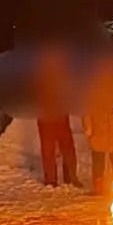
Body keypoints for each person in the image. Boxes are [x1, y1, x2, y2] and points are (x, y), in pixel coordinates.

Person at [34, 44, 81, 188]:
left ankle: (71, 176)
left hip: (61, 118)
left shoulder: (64, 77)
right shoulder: (40, 78)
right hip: (47, 120)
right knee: (48, 150)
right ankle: (51, 179)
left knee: (68, 148)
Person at [83, 53, 113, 196]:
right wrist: (88, 127)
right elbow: (86, 107)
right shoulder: (91, 85)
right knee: (98, 160)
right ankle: (98, 186)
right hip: (99, 128)